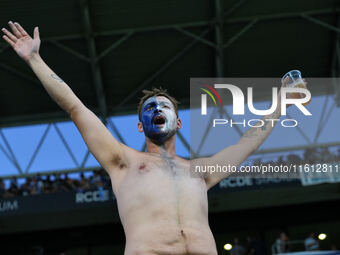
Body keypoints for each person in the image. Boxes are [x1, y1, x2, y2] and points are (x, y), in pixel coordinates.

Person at [1, 22, 301, 255]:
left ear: (179, 122)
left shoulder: (200, 170)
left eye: (165, 106)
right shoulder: (123, 162)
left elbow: (245, 143)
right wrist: (35, 59)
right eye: (150, 107)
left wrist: (282, 105)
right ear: (141, 127)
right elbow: (75, 107)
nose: (158, 108)